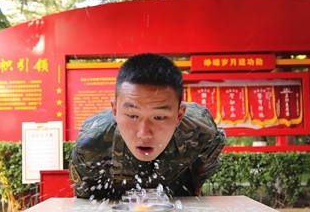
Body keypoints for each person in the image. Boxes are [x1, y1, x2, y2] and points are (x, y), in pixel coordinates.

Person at [70, 53, 226, 200]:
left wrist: (196, 185)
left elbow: (210, 153)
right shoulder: (90, 145)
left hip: (177, 196)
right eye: (132, 116)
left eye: (159, 117)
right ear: (115, 111)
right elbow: (86, 203)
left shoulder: (200, 128)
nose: (144, 133)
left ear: (179, 115)